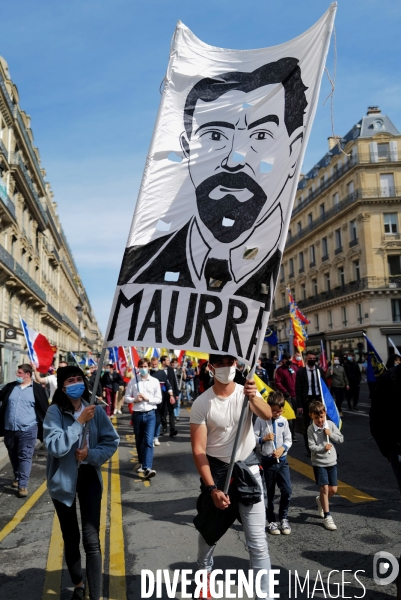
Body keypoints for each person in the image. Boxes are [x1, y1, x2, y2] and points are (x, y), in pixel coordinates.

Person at [116, 58, 308, 308]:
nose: (233, 159)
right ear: (186, 149)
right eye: (215, 135)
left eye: (260, 136)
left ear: (293, 152)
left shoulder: (294, 272)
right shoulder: (139, 269)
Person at [190, 353, 273, 600]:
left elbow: (267, 414)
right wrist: (213, 488)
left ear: (237, 365)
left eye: (231, 362)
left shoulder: (246, 392)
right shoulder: (202, 403)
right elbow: (198, 450)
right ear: (210, 368)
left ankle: (264, 595)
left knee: (258, 542)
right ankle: (203, 574)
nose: (227, 367)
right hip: (218, 476)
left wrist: (253, 395)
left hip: (248, 473)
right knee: (209, 534)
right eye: (221, 364)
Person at [43, 366, 119, 600]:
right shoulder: (55, 412)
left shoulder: (95, 410)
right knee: (71, 536)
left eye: (79, 379)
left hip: (88, 477)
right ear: (62, 386)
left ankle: (95, 594)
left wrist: (91, 455)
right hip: (63, 480)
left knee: (91, 538)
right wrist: (78, 423)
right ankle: (78, 583)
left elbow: (111, 440)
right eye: (70, 380)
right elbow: (54, 446)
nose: (76, 383)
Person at [0, 363, 49, 498]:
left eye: (20, 373)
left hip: (28, 428)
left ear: (27, 375)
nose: (17, 375)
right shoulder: (10, 387)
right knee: (13, 454)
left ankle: (23, 485)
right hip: (9, 428)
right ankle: (17, 477)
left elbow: (44, 408)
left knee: (25, 455)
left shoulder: (37, 389)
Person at [254, 391, 292, 536]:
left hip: (282, 462)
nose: (276, 413)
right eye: (273, 410)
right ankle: (271, 520)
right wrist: (263, 439)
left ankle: (283, 517)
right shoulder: (261, 420)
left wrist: (282, 449)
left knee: (287, 491)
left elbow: (288, 439)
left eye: (279, 410)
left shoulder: (284, 421)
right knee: (269, 494)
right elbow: (253, 436)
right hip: (268, 462)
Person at [307, 400, 344, 531]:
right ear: (311, 416)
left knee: (333, 489)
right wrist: (323, 447)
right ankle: (327, 516)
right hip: (319, 463)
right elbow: (311, 446)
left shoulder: (330, 425)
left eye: (322, 417)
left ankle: (321, 500)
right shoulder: (311, 429)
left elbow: (341, 439)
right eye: (316, 418)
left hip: (332, 461)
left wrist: (331, 434)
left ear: (325, 414)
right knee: (324, 488)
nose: (320, 420)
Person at [125, 359, 162, 479]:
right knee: (139, 440)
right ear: (138, 367)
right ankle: (142, 462)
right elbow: (126, 397)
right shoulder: (133, 381)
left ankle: (147, 467)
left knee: (148, 441)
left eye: (145, 366)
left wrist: (147, 398)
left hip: (150, 414)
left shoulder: (154, 381)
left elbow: (158, 399)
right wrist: (134, 400)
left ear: (149, 367)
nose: (143, 368)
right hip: (137, 414)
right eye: (141, 366)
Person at [295, 351, 326, 455]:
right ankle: (310, 449)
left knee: (321, 423)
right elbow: (298, 389)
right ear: (306, 359)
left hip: (318, 399)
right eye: (310, 358)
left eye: (314, 358)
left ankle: (323, 447)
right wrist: (299, 405)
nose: (312, 360)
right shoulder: (301, 372)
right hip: (307, 401)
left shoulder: (319, 370)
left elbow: (325, 386)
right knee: (307, 426)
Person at [149, 357, 176, 442]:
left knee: (157, 420)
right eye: (152, 364)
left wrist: (171, 395)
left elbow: (168, 385)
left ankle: (155, 437)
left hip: (160, 401)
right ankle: (150, 437)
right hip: (149, 401)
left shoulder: (162, 373)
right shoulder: (148, 373)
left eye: (155, 364)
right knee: (150, 420)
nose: (154, 366)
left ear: (158, 363)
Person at [274, 352, 299, 441]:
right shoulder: (280, 370)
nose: (288, 360)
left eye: (289, 358)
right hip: (287, 397)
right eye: (286, 359)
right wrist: (285, 391)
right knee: (290, 417)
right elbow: (277, 382)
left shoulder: (295, 368)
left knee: (296, 415)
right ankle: (291, 435)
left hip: (296, 396)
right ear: (283, 360)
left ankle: (294, 431)